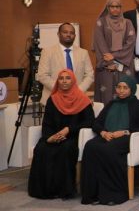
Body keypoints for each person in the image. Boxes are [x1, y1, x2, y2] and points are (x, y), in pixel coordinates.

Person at [81, 76, 139, 205]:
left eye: (125, 88)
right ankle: (93, 194)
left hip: (128, 138)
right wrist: (103, 132)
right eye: (119, 87)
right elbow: (97, 123)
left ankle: (113, 195)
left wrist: (124, 132)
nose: (121, 91)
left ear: (132, 89)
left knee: (108, 149)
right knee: (90, 146)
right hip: (108, 136)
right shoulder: (111, 104)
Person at [29, 70, 95, 199]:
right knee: (42, 148)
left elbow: (90, 121)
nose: (64, 81)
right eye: (61, 78)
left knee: (65, 149)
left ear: (73, 81)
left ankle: (63, 190)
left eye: (68, 78)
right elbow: (47, 122)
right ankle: (45, 191)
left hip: (73, 136)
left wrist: (69, 129)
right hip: (53, 135)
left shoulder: (82, 99)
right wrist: (49, 137)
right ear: (57, 81)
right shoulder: (53, 100)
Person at [92, 0, 136, 103]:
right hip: (106, 65)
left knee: (125, 92)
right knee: (106, 95)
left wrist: (115, 57)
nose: (115, 9)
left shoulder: (128, 23)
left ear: (121, 8)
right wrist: (110, 62)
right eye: (112, 6)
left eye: (117, 6)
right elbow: (100, 44)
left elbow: (130, 43)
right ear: (108, 8)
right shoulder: (100, 23)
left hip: (125, 65)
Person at [37, 22, 94, 104]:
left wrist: (77, 91)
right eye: (65, 32)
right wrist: (61, 89)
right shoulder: (47, 52)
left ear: (75, 36)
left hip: (77, 99)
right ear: (58, 34)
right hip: (54, 100)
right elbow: (42, 75)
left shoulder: (83, 53)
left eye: (71, 33)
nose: (68, 35)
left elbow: (90, 75)